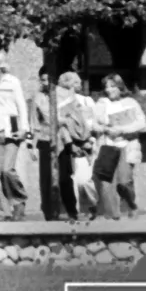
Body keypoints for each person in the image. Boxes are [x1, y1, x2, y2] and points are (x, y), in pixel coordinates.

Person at [0, 53, 30, 220]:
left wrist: (25, 129)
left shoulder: (12, 82)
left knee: (7, 169)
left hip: (12, 131)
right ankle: (1, 211)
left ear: (1, 66)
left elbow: (21, 105)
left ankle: (19, 200)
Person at [90, 75, 146, 219]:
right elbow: (93, 124)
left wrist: (122, 130)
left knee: (124, 181)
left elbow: (141, 123)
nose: (109, 90)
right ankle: (112, 217)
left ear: (120, 87)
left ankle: (131, 204)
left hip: (126, 146)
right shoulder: (101, 104)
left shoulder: (131, 102)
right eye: (106, 87)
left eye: (112, 86)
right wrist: (105, 129)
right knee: (106, 184)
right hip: (108, 146)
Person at [53, 72, 97, 221]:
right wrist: (69, 143)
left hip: (87, 144)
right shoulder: (61, 104)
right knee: (73, 180)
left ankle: (93, 205)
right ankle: (75, 212)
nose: (78, 86)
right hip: (70, 145)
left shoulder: (86, 101)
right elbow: (61, 126)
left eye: (78, 83)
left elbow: (93, 121)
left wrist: (90, 139)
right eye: (75, 83)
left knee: (85, 181)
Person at [28, 71, 70, 222]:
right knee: (46, 178)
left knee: (64, 176)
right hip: (45, 140)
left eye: (49, 79)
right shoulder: (38, 98)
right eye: (43, 80)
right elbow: (34, 123)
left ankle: (65, 210)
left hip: (64, 139)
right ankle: (49, 212)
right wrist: (32, 146)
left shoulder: (64, 96)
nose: (47, 83)